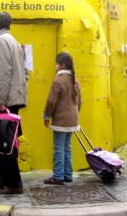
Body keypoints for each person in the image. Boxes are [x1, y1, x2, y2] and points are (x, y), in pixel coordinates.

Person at [0, 11, 28, 195]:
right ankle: (4, 179)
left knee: (6, 143)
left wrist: (0, 100)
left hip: (6, 100)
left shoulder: (1, 42)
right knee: (5, 142)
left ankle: (13, 183)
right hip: (13, 97)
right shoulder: (14, 42)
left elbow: (2, 72)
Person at [42, 52, 82, 185]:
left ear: (62, 65)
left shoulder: (58, 81)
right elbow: (80, 102)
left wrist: (46, 116)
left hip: (60, 120)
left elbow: (51, 102)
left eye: (57, 63)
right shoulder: (76, 81)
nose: (55, 66)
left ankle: (58, 175)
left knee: (59, 148)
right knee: (67, 147)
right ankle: (67, 174)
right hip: (72, 119)